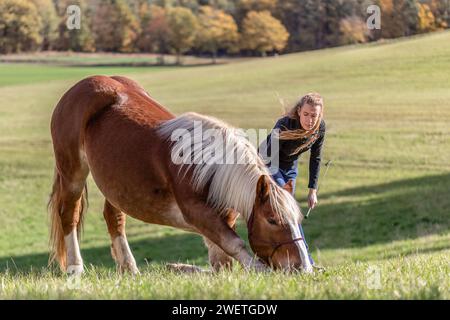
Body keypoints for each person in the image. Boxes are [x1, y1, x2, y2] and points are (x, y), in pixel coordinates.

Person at [259, 92, 326, 266]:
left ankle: (294, 260)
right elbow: (268, 158)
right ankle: (307, 262)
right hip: (269, 163)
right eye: (306, 114)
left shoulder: (320, 129)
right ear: (298, 112)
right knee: (289, 211)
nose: (310, 120)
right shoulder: (284, 125)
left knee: (289, 217)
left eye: (314, 116)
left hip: (290, 169)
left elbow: (315, 158)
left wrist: (313, 191)